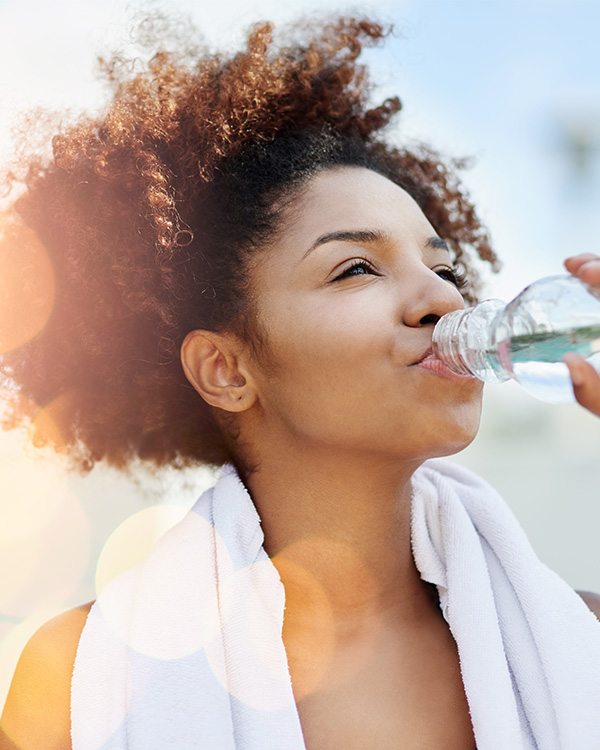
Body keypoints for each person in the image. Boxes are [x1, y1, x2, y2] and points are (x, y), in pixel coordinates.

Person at [1, 15, 600, 750]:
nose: (445, 300)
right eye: (356, 268)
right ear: (227, 370)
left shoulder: (582, 639)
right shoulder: (76, 680)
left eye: (445, 270)